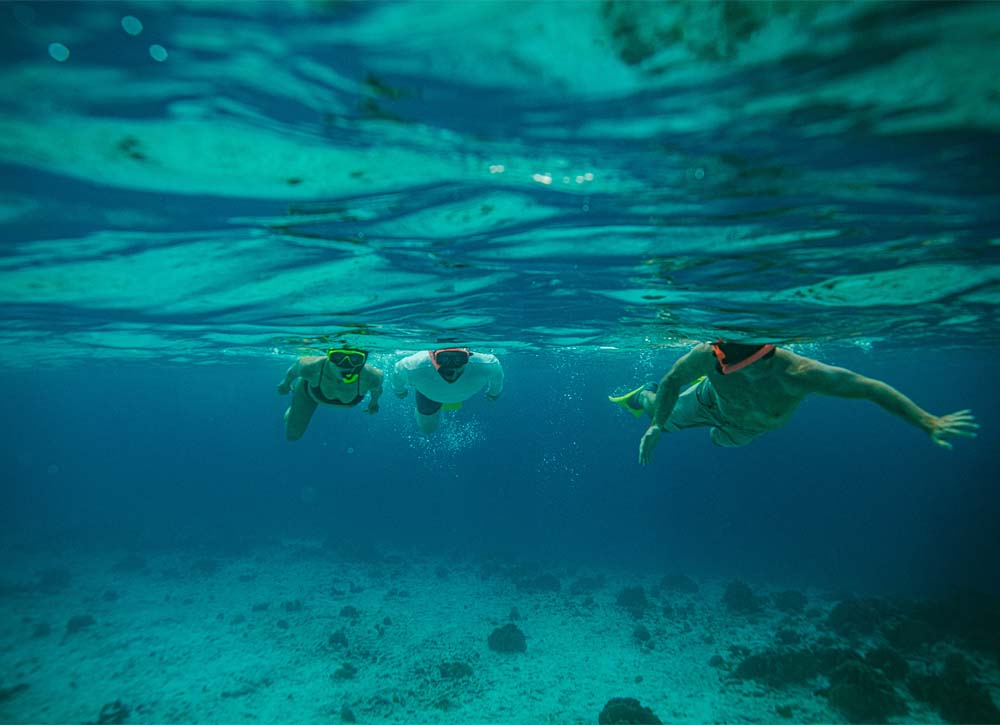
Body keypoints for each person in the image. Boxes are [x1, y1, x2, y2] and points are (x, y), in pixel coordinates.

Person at [609, 341, 978, 465]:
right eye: (722, 364)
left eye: (736, 367)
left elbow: (871, 388)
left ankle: (674, 417)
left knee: (719, 442)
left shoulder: (801, 374)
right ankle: (642, 395)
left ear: (764, 359)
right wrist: (656, 425)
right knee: (665, 415)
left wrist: (927, 421)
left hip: (746, 430)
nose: (726, 368)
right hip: (709, 402)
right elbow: (675, 378)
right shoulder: (710, 354)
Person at [277, 347, 383, 441]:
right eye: (337, 356)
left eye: (355, 359)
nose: (345, 363)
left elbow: (377, 390)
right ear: (328, 354)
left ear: (363, 360)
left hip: (317, 392)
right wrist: (285, 384)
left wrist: (374, 403)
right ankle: (292, 409)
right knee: (292, 435)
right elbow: (293, 371)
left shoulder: (372, 377)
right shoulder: (311, 367)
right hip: (307, 393)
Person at [393, 347, 503, 436]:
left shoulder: (487, 365)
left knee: (428, 429)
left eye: (459, 359)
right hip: (430, 395)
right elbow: (397, 376)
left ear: (469, 354)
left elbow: (398, 376)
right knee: (428, 430)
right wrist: (493, 393)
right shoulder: (413, 366)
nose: (452, 369)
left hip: (430, 392)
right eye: (443, 359)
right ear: (431, 355)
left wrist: (400, 392)